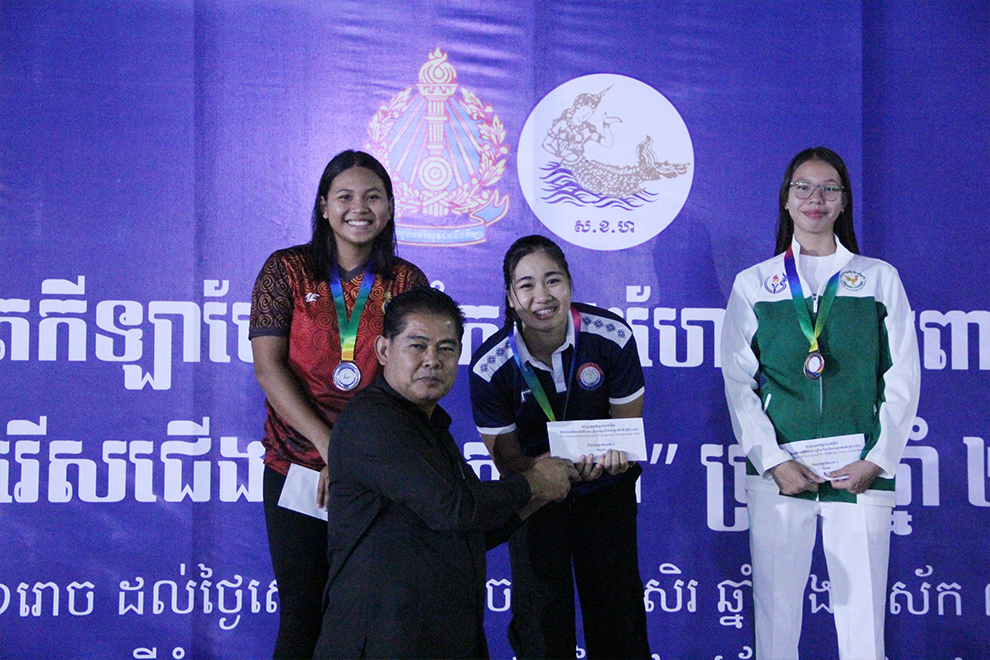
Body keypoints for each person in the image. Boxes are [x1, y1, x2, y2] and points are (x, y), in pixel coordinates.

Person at [720, 147, 921, 660]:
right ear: (785, 201)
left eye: (829, 187)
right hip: (783, 476)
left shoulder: (879, 278)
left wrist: (876, 460)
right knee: (775, 614)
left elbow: (903, 378)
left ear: (844, 202)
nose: (816, 198)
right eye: (803, 187)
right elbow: (738, 384)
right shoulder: (753, 284)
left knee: (863, 623)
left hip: (861, 474)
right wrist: (774, 462)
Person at [312, 286, 579, 660]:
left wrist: (542, 491)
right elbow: (453, 508)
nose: (432, 360)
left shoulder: (429, 424)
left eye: (447, 349)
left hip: (438, 638)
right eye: (417, 346)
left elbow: (470, 528)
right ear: (384, 351)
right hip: (381, 641)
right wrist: (533, 481)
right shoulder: (373, 421)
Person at [249, 150, 428, 659]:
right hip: (298, 467)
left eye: (373, 196)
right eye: (345, 196)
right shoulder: (285, 270)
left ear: (390, 208)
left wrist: (355, 456)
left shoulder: (406, 281)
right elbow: (269, 369)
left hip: (380, 471)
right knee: (305, 613)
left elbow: (411, 378)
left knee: (378, 614)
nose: (359, 207)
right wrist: (331, 448)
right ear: (324, 205)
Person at [469, 235, 652, 659]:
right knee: (541, 627)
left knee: (619, 619)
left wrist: (609, 460)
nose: (542, 296)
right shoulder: (491, 365)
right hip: (536, 498)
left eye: (552, 281)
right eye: (527, 285)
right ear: (511, 297)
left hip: (607, 491)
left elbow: (625, 429)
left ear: (569, 285)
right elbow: (507, 460)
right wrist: (548, 472)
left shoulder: (611, 336)